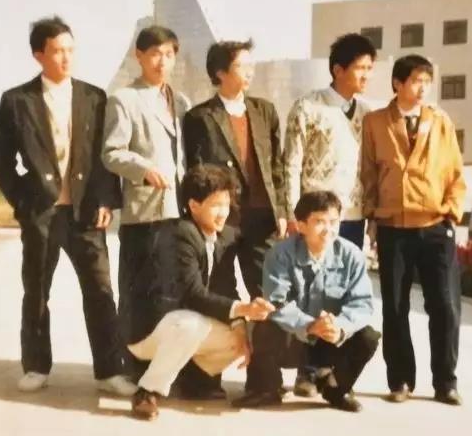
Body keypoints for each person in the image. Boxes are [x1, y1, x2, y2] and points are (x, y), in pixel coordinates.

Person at [0, 15, 134, 396]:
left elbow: (104, 156)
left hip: (85, 213)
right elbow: (1, 160)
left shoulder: (93, 97)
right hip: (42, 212)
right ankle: (36, 366)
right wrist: (23, 201)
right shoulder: (17, 101)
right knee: (37, 291)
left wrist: (106, 199)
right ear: (39, 55)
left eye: (71, 49)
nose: (66, 57)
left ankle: (109, 370)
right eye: (57, 51)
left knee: (100, 290)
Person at [102, 24, 208, 395]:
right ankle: (133, 370)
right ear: (139, 56)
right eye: (154, 54)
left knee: (174, 294)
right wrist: (143, 168)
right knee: (138, 295)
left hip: (179, 213)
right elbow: (111, 152)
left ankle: (167, 369)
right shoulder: (124, 99)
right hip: (144, 212)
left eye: (168, 54)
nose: (162, 62)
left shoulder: (181, 102)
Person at [126, 165, 275, 420]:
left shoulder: (226, 236)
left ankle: (195, 380)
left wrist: (240, 323)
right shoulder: (178, 234)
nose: (223, 212)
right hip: (150, 331)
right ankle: (147, 391)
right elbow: (192, 295)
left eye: (226, 204)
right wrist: (243, 309)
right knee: (190, 324)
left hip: (183, 324)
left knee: (240, 337)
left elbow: (226, 286)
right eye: (216, 205)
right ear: (194, 206)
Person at [359, 54, 466, 406]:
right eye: (416, 81)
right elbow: (369, 173)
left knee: (445, 306)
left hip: (436, 225)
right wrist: (373, 217)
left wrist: (451, 213)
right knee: (395, 307)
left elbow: (455, 172)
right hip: (394, 226)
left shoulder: (440, 121)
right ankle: (400, 380)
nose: (422, 89)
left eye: (427, 82)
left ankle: (446, 382)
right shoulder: (375, 122)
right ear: (398, 83)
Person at [282, 32, 376, 397]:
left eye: (369, 68)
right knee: (311, 293)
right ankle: (306, 371)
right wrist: (294, 214)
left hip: (352, 216)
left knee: (342, 294)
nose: (366, 75)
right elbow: (290, 164)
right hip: (316, 219)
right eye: (360, 68)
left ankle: (330, 368)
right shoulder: (308, 107)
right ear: (338, 69)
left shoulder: (368, 114)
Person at [233, 190, 380, 412]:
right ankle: (265, 388)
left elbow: (362, 303)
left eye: (333, 222)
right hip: (293, 339)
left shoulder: (352, 255)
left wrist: (339, 327)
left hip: (329, 339)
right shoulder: (280, 254)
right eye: (319, 222)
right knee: (264, 324)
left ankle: (336, 389)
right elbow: (276, 302)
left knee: (368, 337)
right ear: (301, 225)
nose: (328, 229)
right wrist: (310, 325)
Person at [182, 40, 286, 301]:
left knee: (269, 291)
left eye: (252, 65)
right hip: (223, 217)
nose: (250, 72)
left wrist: (283, 211)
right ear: (220, 72)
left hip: (262, 215)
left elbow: (277, 166)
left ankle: (266, 329)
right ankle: (234, 328)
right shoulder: (200, 117)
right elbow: (196, 172)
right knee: (221, 287)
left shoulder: (265, 110)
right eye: (242, 66)